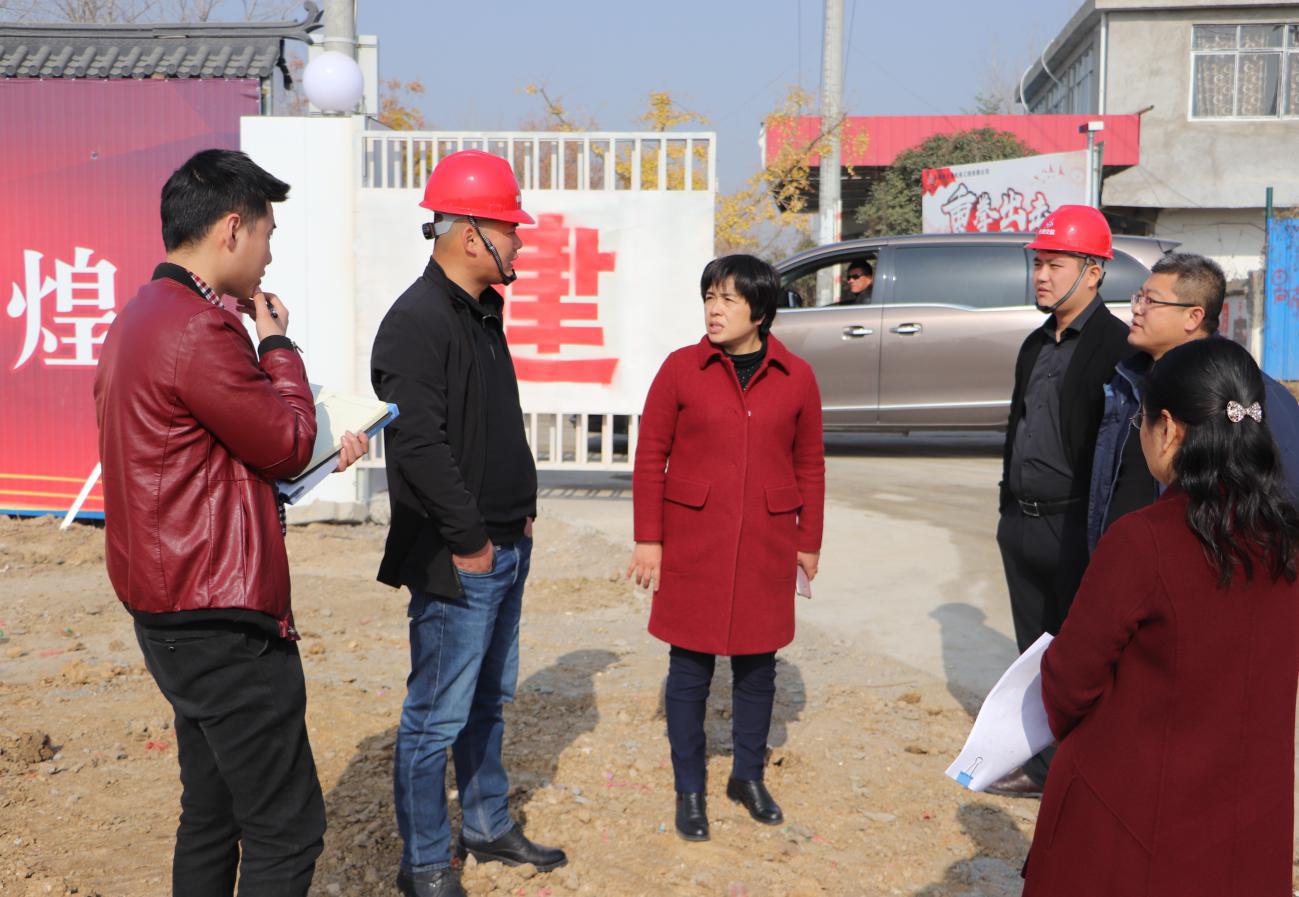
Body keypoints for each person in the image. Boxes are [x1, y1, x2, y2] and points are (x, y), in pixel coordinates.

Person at [93, 149, 369, 897]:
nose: (270, 254)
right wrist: (276, 345)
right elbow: (285, 442)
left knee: (212, 812)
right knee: (287, 829)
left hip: (172, 604)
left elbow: (208, 462)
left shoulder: (140, 317)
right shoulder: (199, 329)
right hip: (220, 612)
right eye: (268, 235)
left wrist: (303, 453)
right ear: (232, 229)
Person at [1022, 337, 1299, 896]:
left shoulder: (1144, 541)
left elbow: (1068, 685)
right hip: (1250, 824)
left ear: (1168, 429)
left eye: (1140, 422)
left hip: (1140, 820)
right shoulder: (1286, 540)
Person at [371, 150, 564, 897]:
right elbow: (419, 447)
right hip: (463, 556)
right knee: (435, 718)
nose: (520, 242)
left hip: (505, 542)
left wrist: (520, 515)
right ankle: (424, 863)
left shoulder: (482, 311)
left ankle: (486, 825)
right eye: (511, 229)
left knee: (487, 700)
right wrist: (472, 540)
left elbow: (493, 426)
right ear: (469, 233)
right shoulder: (415, 323)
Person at [627, 254, 825, 843]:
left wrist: (808, 541)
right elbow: (650, 456)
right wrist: (649, 539)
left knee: (758, 666)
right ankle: (690, 789)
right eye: (709, 297)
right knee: (689, 668)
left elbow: (810, 465)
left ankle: (747, 777)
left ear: (759, 311)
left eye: (728, 299)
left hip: (768, 540)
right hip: (694, 539)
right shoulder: (680, 369)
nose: (714, 310)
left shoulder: (797, 377)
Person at [989, 205, 1133, 797]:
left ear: (1093, 272)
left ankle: (1091, 769)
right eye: (1038, 264)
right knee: (1033, 652)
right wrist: (1007, 511)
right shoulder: (1034, 345)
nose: (1041, 275)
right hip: (1022, 522)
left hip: (1076, 526)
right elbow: (1017, 428)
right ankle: (1045, 767)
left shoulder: (1118, 347)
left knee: (1083, 656)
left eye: (1056, 264)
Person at [1087, 251, 1299, 552]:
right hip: (1127, 557)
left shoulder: (1250, 394)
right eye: (1138, 297)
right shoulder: (1128, 380)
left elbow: (1283, 498)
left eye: (1151, 301)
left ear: (1193, 317)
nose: (1137, 309)